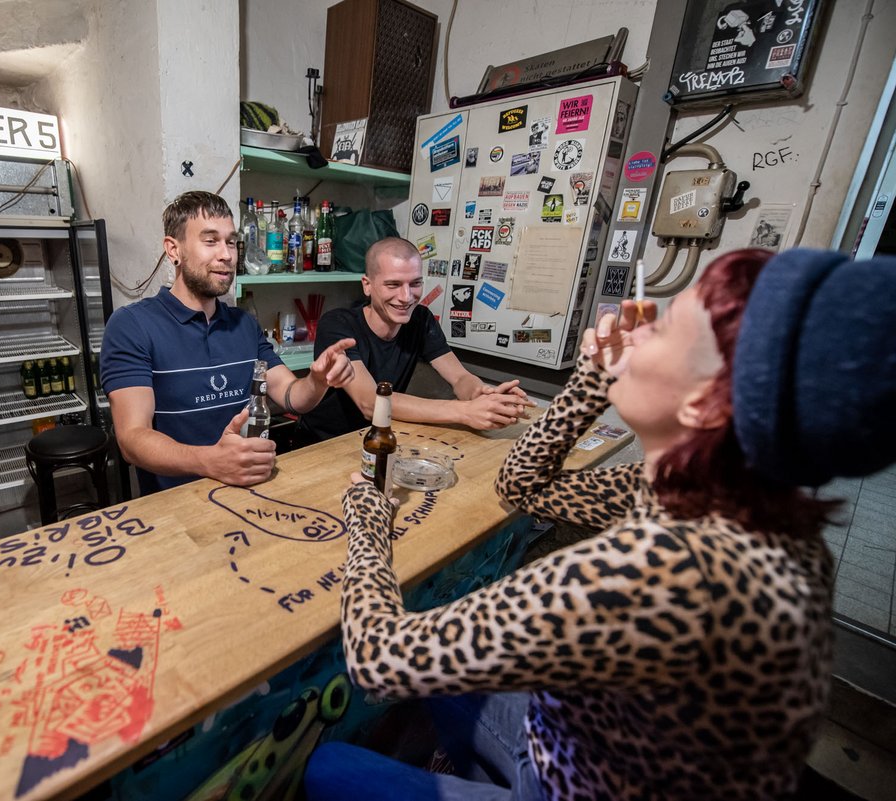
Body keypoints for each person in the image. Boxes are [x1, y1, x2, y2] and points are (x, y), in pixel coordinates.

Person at [304, 247, 896, 801]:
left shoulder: (650, 574)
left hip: (575, 783)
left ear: (705, 403)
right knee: (454, 687)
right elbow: (523, 488)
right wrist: (592, 377)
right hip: (591, 746)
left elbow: (377, 659)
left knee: (328, 768)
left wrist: (367, 520)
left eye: (661, 330)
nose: (635, 333)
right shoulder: (721, 500)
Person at [99, 191, 355, 494]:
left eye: (231, 242)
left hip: (248, 490)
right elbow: (132, 438)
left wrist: (318, 380)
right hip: (176, 505)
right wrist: (209, 461)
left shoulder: (243, 324)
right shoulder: (132, 326)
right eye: (210, 241)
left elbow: (291, 396)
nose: (227, 255)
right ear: (173, 249)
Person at [295, 237, 530, 444]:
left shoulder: (421, 319)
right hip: (324, 444)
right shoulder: (338, 324)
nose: (406, 297)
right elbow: (370, 403)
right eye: (393, 284)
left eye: (415, 283)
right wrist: (464, 411)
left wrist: (484, 395)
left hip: (381, 437)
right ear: (367, 285)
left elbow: (459, 377)